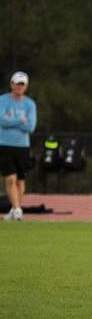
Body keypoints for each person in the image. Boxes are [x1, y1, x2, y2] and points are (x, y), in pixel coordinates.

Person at [1, 72, 37, 222]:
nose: (19, 87)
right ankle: (17, 209)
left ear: (26, 87)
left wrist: (12, 120)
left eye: (22, 84)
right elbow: (2, 121)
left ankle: (15, 209)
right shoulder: (2, 100)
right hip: (4, 144)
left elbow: (30, 126)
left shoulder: (30, 104)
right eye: (17, 84)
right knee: (10, 179)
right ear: (11, 84)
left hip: (22, 146)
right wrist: (20, 120)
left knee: (20, 181)